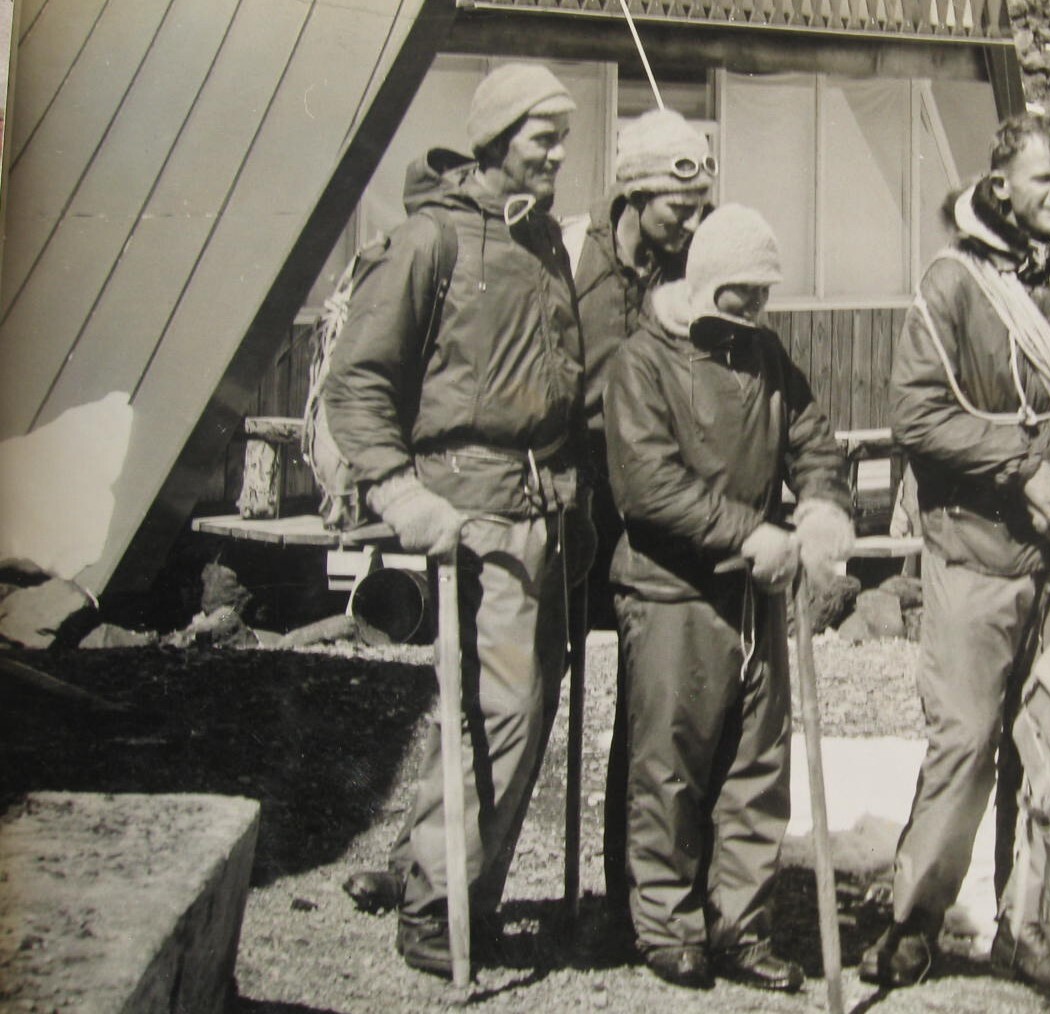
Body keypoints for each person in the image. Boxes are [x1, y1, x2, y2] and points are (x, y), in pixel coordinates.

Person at [322, 62, 592, 978]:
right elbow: (356, 383)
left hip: (542, 507)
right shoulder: (428, 242)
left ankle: (416, 867)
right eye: (541, 135)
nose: (559, 151)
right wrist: (399, 492)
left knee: (486, 708)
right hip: (465, 507)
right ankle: (443, 908)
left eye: (563, 135)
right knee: (505, 712)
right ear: (495, 138)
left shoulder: (544, 242)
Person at [873, 108, 1050, 1002]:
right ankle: (914, 918)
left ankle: (1024, 931)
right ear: (999, 187)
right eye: (1042, 180)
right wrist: (1023, 465)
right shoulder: (952, 284)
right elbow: (915, 414)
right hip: (973, 557)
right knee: (965, 743)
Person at [604, 204, 854, 991]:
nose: (755, 310)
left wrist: (818, 506)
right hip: (672, 587)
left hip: (757, 587)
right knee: (671, 761)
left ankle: (741, 927)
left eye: (764, 294)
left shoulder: (767, 355)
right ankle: (666, 924)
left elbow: (812, 438)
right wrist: (749, 532)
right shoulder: (643, 362)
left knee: (756, 761)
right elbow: (648, 487)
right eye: (741, 293)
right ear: (705, 281)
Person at [564, 107, 715, 928]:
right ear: (633, 194)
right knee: (525, 681)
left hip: (651, 497)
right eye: (675, 209)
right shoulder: (567, 255)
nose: (689, 225)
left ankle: (635, 887)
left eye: (697, 210)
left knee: (649, 694)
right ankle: (434, 864)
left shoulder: (692, 269)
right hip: (572, 493)